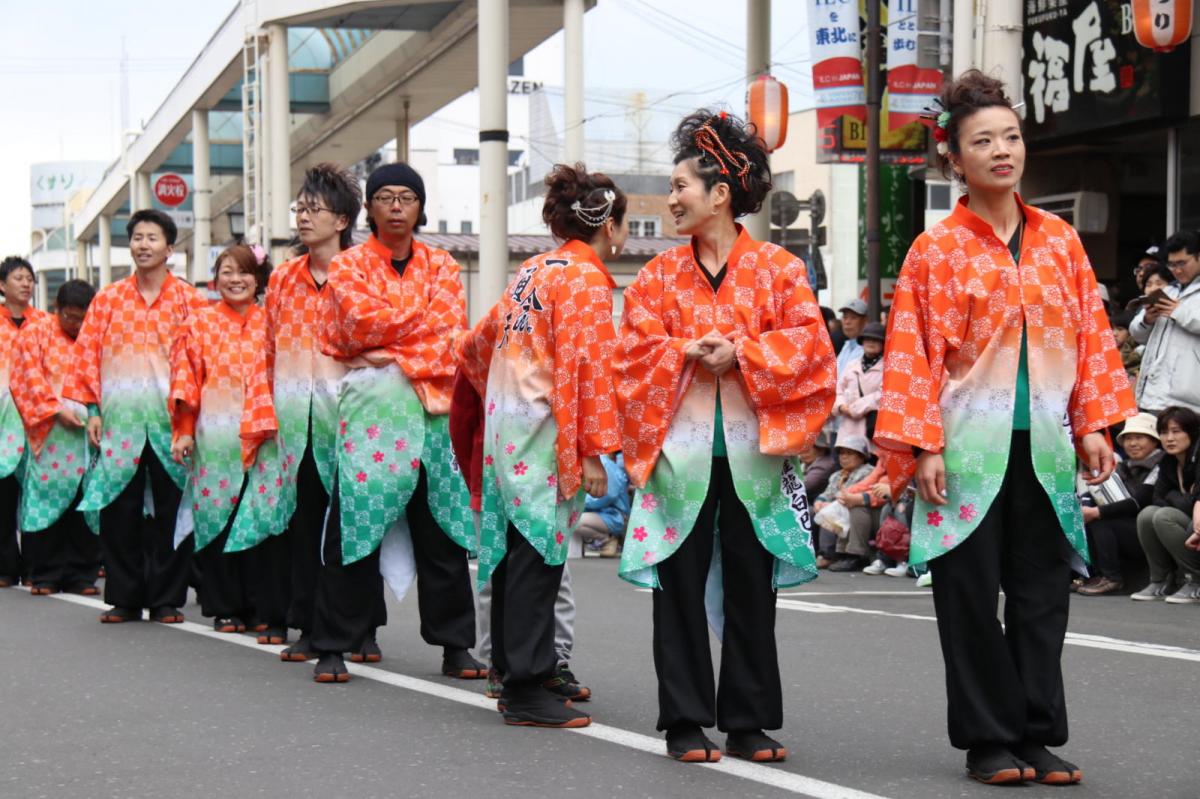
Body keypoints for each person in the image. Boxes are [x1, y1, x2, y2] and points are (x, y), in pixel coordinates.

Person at [874, 71, 1135, 786]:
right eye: (982, 140)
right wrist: (923, 441)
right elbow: (910, 353)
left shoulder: (1059, 241)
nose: (1002, 151)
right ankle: (989, 737)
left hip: (1045, 442)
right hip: (963, 446)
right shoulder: (935, 250)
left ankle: (1037, 732)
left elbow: (1090, 334)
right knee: (967, 595)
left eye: (1011, 137)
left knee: (1042, 593)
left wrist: (1092, 423)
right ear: (953, 157)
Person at [614, 110, 835, 763]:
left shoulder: (778, 270)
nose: (672, 198)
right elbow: (630, 356)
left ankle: (748, 718)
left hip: (753, 455)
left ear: (720, 194)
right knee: (676, 587)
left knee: (750, 583)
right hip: (678, 456)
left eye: (681, 185)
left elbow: (810, 348)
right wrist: (686, 350)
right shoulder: (656, 277)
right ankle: (684, 718)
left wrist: (742, 352)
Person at [458, 163, 625, 728]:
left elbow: (476, 344)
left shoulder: (530, 270)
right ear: (612, 227)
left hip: (507, 423)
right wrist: (594, 450)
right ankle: (527, 686)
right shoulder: (584, 278)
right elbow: (588, 367)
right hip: (543, 430)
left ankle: (512, 669)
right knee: (537, 556)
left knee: (512, 554)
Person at [316, 161, 481, 684]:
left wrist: (388, 349)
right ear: (368, 208)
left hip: (434, 415)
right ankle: (334, 645)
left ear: (419, 207)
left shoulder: (444, 265)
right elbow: (355, 323)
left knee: (444, 533)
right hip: (372, 414)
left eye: (405, 198)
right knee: (353, 530)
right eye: (384, 197)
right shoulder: (348, 266)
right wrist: (416, 330)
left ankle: (456, 646)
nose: (395, 207)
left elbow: (452, 331)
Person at [64, 210, 210, 624]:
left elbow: (201, 362)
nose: (144, 245)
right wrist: (91, 409)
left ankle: (166, 599)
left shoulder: (189, 301)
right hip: (120, 421)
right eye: (137, 237)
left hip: (172, 423)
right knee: (119, 510)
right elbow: (87, 355)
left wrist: (192, 420)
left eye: (153, 237)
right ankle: (125, 597)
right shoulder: (108, 299)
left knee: (172, 507)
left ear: (169, 247)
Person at [265, 163, 360, 662]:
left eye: (313, 209)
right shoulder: (282, 280)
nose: (303, 217)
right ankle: (307, 626)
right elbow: (266, 350)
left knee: (348, 530)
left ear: (341, 219)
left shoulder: (363, 274)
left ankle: (349, 633)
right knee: (303, 528)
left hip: (351, 422)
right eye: (299, 208)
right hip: (295, 424)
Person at [169, 244, 280, 633]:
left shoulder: (273, 321)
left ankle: (265, 606)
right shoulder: (198, 323)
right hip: (215, 436)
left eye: (244, 272)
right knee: (218, 518)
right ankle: (225, 606)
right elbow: (186, 380)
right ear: (215, 280)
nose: (235, 280)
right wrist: (183, 431)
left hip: (267, 436)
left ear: (258, 278)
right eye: (226, 272)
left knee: (263, 520)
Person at [10, 279, 99, 595]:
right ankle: (44, 573)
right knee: (46, 503)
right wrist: (56, 410)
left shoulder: (95, 337)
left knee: (83, 504)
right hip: (51, 434)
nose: (75, 325)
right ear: (56, 310)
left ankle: (81, 574)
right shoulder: (35, 333)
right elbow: (26, 377)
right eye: (69, 317)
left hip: (88, 436)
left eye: (81, 318)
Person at [1076, 413, 1163, 596]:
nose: (1132, 443)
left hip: (1150, 531)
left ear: (1155, 441)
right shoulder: (1124, 466)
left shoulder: (1160, 465)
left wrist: (1096, 511)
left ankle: (1112, 578)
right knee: (1085, 517)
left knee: (1100, 520)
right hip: (1128, 526)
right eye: (1128, 438)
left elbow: (1139, 501)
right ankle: (1094, 574)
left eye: (1139, 438)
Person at [0, 256, 46, 587]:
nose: (26, 283)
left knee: (37, 495)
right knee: (3, 496)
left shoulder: (45, 323)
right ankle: (5, 566)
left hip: (37, 422)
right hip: (3, 423)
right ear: (2, 285)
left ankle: (35, 566)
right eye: (18, 278)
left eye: (29, 278)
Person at [1131, 406, 1200, 603]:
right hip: (1190, 517)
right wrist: (1182, 498)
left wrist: (1175, 497)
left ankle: (1196, 580)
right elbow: (1158, 498)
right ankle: (1161, 580)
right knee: (1148, 514)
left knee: (1164, 516)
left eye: (1176, 431)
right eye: (1164, 432)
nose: (1169, 438)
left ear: (1192, 432)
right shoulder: (1168, 461)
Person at [1129, 230, 1200, 414]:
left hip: (1189, 402)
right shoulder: (1169, 291)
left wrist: (1179, 312)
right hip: (1151, 395)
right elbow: (1136, 333)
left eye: (1182, 263)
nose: (1176, 270)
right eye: (1171, 264)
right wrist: (1147, 320)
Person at [832, 321, 884, 441]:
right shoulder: (852, 365)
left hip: (871, 428)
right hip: (847, 429)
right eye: (867, 339)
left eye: (876, 340)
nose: (871, 343)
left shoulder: (888, 368)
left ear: (883, 344)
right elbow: (838, 389)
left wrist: (855, 408)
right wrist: (840, 406)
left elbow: (883, 394)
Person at [577, 452, 630, 557]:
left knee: (576, 521)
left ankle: (607, 540)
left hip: (615, 516)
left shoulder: (605, 464)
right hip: (601, 514)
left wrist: (579, 503)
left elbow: (608, 496)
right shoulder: (600, 462)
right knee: (573, 519)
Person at [798, 431, 837, 500]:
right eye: (801, 449)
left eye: (807, 449)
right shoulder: (805, 463)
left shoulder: (824, 465)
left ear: (821, 450)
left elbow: (804, 485)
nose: (803, 453)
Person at [836, 298, 868, 374]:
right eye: (845, 317)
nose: (847, 322)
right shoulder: (846, 346)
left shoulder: (869, 349)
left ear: (865, 321)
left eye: (853, 318)